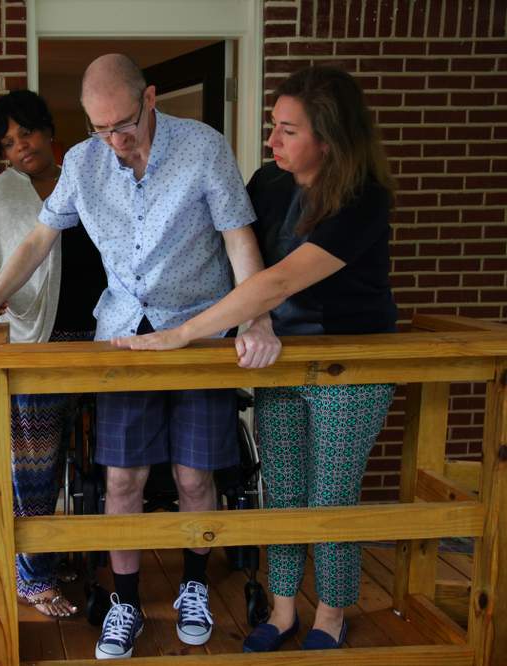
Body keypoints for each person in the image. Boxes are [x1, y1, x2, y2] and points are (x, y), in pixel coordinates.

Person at [0, 55, 279, 659]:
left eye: (123, 124)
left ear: (150, 98)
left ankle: (194, 587)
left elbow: (239, 240)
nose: (114, 139)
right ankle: (125, 600)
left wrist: (256, 317)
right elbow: (37, 240)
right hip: (125, 337)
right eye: (100, 128)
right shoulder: (83, 162)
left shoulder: (204, 148)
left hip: (198, 335)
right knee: (123, 479)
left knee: (192, 476)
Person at [113, 65, 398, 652]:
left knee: (331, 496)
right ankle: (285, 607)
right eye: (273, 127)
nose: (271, 142)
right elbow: (238, 263)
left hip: (350, 366)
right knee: (285, 490)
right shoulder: (267, 184)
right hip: (275, 358)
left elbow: (279, 280)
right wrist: (252, 323)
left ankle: (332, 616)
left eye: (287, 130)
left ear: (331, 137)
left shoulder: (364, 198)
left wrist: (184, 333)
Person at [0, 90, 106, 618]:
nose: (20, 148)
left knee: (102, 460)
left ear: (47, 130)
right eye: (8, 143)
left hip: (106, 335)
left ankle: (72, 551)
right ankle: (32, 574)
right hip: (38, 342)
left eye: (27, 134)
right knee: (36, 463)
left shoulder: (88, 178)